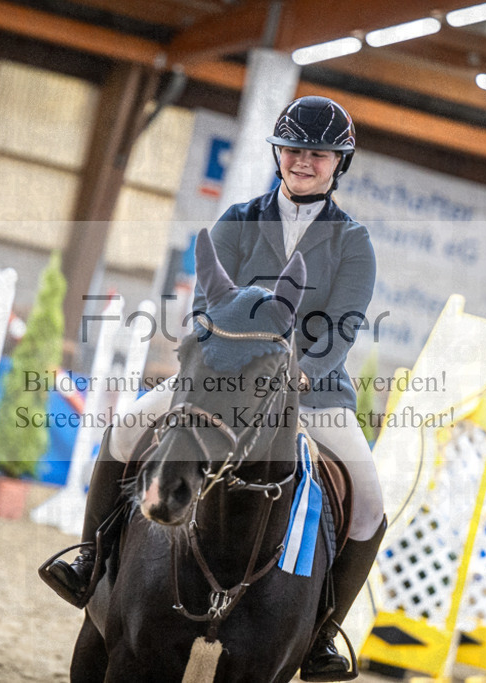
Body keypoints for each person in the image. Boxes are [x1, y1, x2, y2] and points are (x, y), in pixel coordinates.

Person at [50, 95, 386, 681]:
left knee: (370, 502)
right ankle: (90, 560)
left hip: (311, 393)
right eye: (294, 149)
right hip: (217, 384)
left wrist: (297, 373)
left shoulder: (352, 243)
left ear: (339, 163)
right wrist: (216, 353)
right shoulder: (236, 221)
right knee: (125, 430)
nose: (303, 161)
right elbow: (205, 307)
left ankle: (322, 635)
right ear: (278, 153)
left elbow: (342, 325)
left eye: (318, 153)